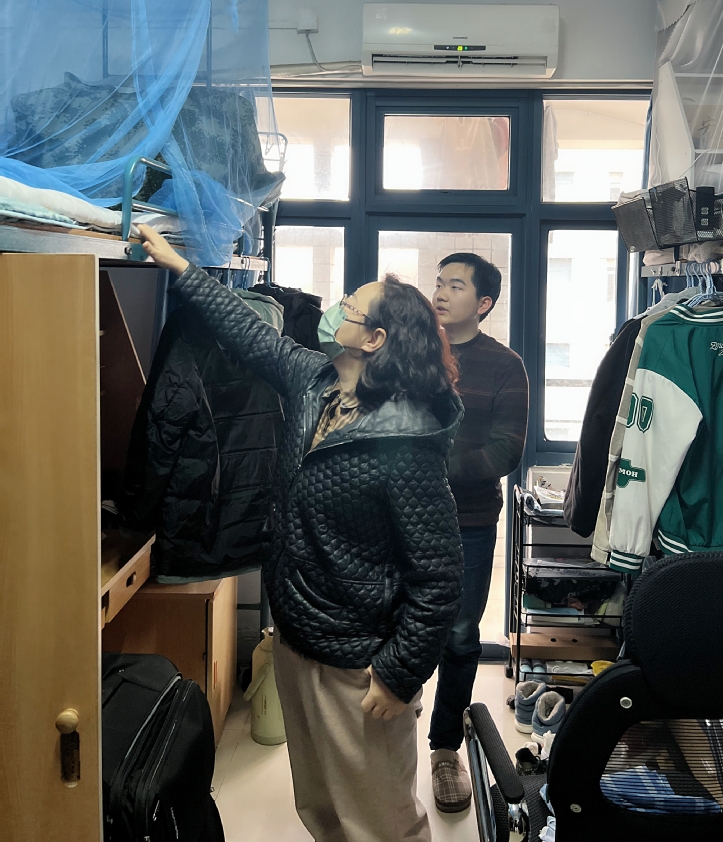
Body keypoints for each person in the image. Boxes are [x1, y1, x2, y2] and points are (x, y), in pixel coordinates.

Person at [138, 225, 464, 842]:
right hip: (296, 638)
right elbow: (250, 333)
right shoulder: (317, 382)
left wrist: (398, 674)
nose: (334, 309)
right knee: (320, 806)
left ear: (374, 340)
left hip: (357, 662)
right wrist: (181, 267)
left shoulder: (404, 439)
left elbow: (439, 577)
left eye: (349, 306)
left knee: (379, 822)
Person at [428, 252, 529, 813]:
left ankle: (445, 748)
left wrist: (430, 470)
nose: (441, 293)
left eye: (456, 285)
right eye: (439, 283)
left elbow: (506, 450)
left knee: (461, 634)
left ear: (484, 303)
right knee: (392, 622)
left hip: (468, 523)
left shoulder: (505, 365)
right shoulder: (413, 350)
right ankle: (389, 726)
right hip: (397, 517)